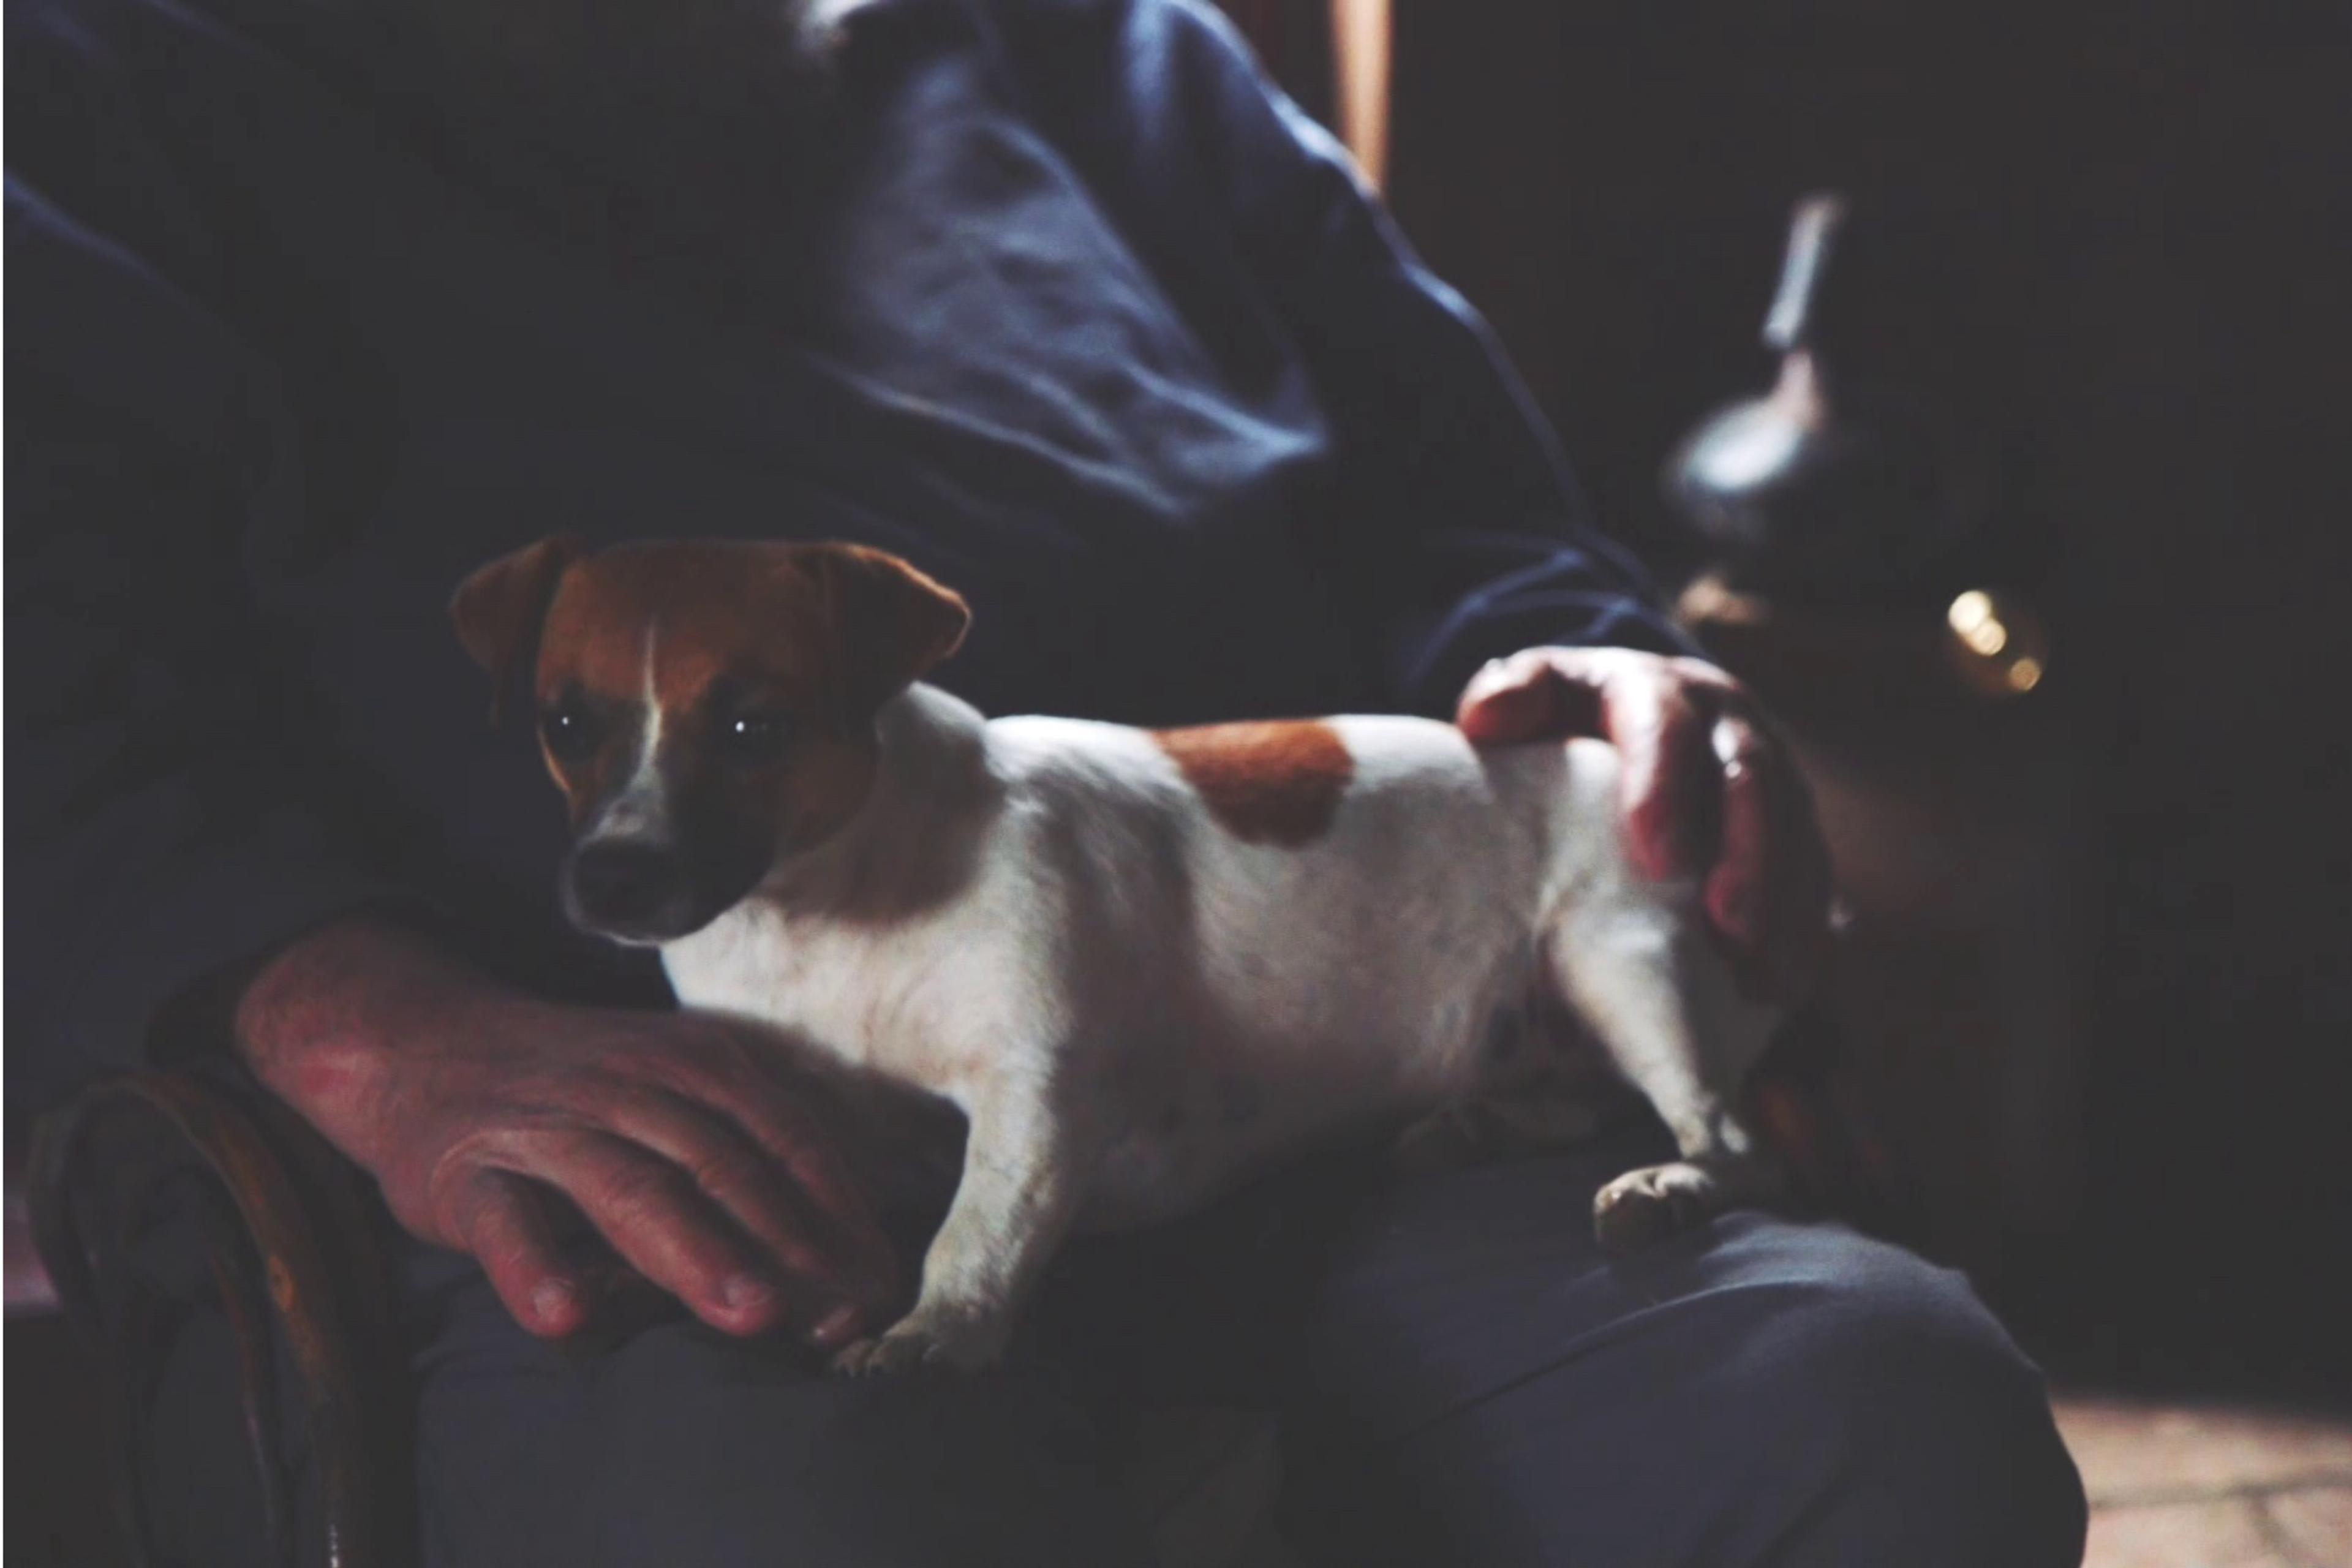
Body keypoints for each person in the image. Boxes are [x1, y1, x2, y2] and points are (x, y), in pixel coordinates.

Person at [6, 0, 2088, 1560]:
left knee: (1873, 1412)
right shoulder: (91, 92)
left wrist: (1577, 668)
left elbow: (1477, 526)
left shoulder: (1119, 48)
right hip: (616, 1199)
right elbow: (46, 717)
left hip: (1325, 1112)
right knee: (851, 1504)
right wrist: (362, 1030)